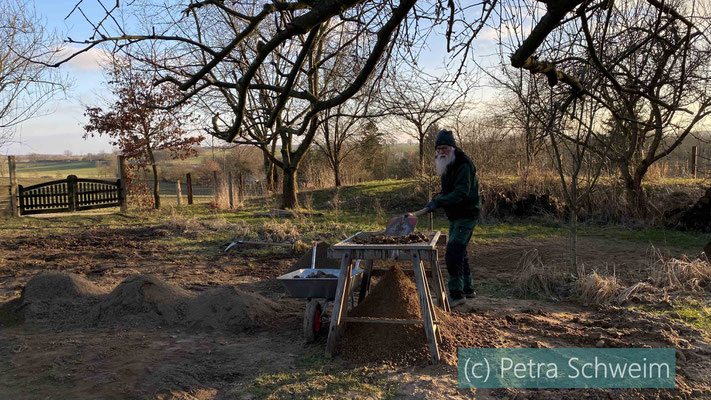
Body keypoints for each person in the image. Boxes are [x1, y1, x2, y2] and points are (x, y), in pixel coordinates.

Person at [410, 129, 480, 307]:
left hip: (467, 214)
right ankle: (468, 289)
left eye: (445, 148)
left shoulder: (464, 164)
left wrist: (439, 202)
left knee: (453, 253)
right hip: (455, 215)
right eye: (438, 148)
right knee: (461, 251)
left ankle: (456, 295)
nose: (441, 152)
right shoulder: (447, 164)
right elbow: (447, 191)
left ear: (453, 147)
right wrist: (435, 201)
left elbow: (460, 193)